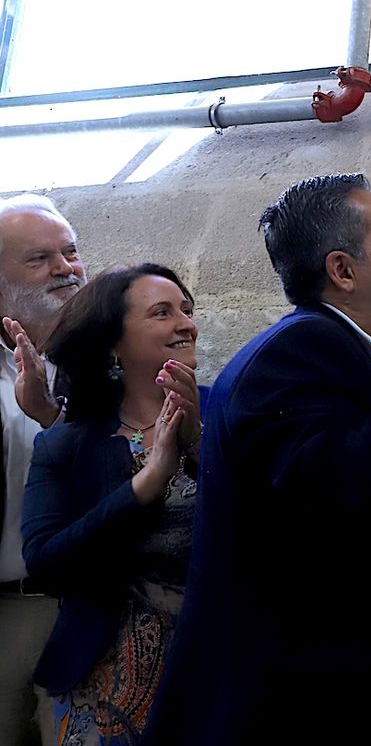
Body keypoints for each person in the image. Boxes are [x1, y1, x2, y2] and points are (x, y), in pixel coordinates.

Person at [152, 174, 371, 746]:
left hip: (352, 687)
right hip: (314, 704)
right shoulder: (298, 351)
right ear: (342, 270)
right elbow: (339, 486)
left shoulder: (329, 350)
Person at [22, 265, 202, 746]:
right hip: (106, 686)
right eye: (162, 312)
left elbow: (272, 525)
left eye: (187, 309)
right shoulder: (68, 444)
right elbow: (46, 565)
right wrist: (144, 486)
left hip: (225, 663)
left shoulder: (230, 412)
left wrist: (200, 449)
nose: (185, 323)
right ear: (113, 345)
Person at [0, 195, 86, 746]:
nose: (66, 268)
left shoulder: (97, 359)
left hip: (86, 607)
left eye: (70, 251)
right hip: (9, 613)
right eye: (40, 259)